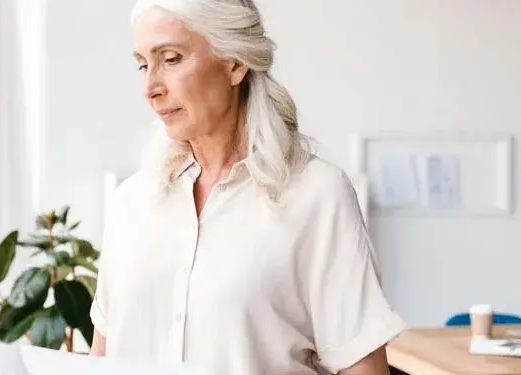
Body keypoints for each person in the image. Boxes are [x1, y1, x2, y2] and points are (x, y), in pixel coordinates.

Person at [89, 0, 406, 374]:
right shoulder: (131, 204)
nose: (150, 87)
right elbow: (102, 360)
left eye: (171, 59)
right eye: (143, 64)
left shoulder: (317, 195)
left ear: (235, 62)